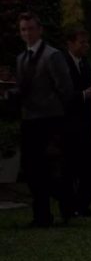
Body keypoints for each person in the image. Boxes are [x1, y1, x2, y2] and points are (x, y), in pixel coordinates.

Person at [15, 12, 74, 227]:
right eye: (23, 29)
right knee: (32, 169)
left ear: (39, 30)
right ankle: (42, 213)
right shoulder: (22, 58)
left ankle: (60, 204)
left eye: (30, 28)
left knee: (48, 168)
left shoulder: (52, 55)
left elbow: (65, 88)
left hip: (50, 119)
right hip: (30, 118)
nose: (27, 33)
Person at [62, 26, 91, 217]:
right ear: (70, 43)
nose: (86, 46)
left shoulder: (86, 64)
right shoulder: (63, 63)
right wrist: (84, 95)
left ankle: (83, 204)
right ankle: (71, 204)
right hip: (70, 122)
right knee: (71, 165)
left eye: (87, 42)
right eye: (82, 42)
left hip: (86, 122)